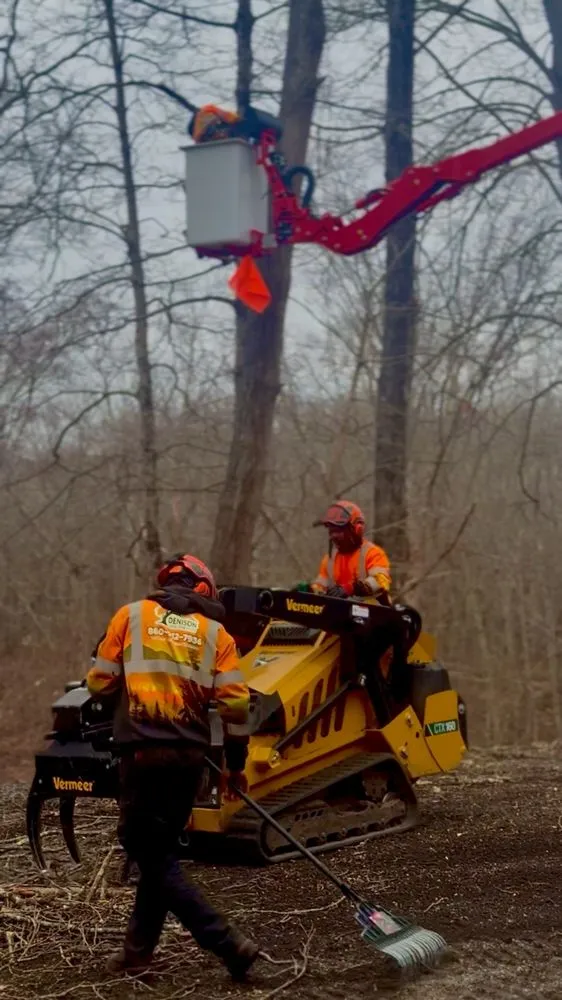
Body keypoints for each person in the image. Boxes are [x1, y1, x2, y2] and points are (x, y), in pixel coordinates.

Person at [86, 553, 260, 980]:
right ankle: (136, 955)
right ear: (204, 590)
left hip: (142, 756)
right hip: (187, 762)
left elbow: (98, 683)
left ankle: (227, 942)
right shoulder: (217, 634)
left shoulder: (130, 616)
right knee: (158, 854)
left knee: (147, 852)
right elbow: (237, 707)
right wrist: (234, 766)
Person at [310, 500, 391, 601]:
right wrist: (309, 590)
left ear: (357, 529)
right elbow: (321, 586)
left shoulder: (373, 553)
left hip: (374, 612)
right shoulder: (330, 560)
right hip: (341, 613)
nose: (334, 536)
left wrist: (353, 588)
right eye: (331, 531)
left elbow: (381, 581)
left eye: (339, 531)